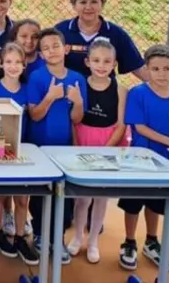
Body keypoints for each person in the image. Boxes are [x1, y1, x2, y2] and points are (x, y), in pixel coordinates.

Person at [119, 44, 169, 271]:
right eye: (155, 69)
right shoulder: (138, 94)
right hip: (140, 161)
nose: (161, 74)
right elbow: (140, 128)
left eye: (167, 68)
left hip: (167, 163)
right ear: (147, 69)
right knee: (133, 203)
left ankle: (151, 241)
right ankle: (129, 242)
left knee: (156, 202)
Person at [26, 28, 86, 265]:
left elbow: (77, 119)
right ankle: (40, 234)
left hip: (65, 148)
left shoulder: (78, 79)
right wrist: (50, 96)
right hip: (40, 146)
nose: (51, 51)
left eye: (55, 46)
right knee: (41, 193)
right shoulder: (37, 78)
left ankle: (58, 238)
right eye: (46, 48)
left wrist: (78, 102)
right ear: (40, 54)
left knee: (63, 195)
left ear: (66, 49)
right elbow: (35, 114)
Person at [66, 38, 127, 265]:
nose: (101, 65)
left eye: (107, 61)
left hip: (108, 144)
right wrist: (76, 146)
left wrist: (106, 150)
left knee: (101, 197)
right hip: (83, 140)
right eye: (96, 60)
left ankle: (93, 241)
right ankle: (78, 236)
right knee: (82, 199)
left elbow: (121, 125)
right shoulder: (79, 85)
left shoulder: (121, 89)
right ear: (87, 62)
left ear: (114, 64)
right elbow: (74, 120)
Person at [0, 43, 37, 265]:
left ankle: (19, 236)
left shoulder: (28, 90)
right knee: (1, 193)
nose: (13, 66)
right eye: (8, 62)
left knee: (22, 198)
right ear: (0, 63)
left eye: (18, 62)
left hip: (22, 147)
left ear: (24, 65)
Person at [54, 0, 147, 81]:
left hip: (104, 93)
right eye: (83, 2)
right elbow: (43, 60)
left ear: (102, 4)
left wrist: (162, 88)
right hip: (69, 91)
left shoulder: (116, 34)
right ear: (74, 5)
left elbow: (137, 67)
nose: (88, 7)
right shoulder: (60, 31)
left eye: (94, 2)